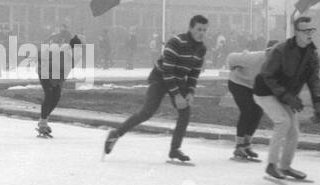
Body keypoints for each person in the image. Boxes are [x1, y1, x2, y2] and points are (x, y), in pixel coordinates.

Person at [103, 15, 208, 163]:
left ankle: (175, 149)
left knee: (185, 112)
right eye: (198, 29)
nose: (201, 33)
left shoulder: (201, 49)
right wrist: (177, 95)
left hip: (178, 80)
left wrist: (190, 92)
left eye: (204, 30)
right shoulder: (176, 42)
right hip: (161, 77)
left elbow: (194, 73)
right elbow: (167, 70)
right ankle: (115, 134)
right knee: (147, 112)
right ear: (191, 28)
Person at [252, 16, 320, 182]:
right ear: (296, 32)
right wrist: (287, 96)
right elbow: (268, 76)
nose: (309, 34)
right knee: (283, 122)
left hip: (285, 94)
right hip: (264, 91)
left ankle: (285, 166)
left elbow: (314, 81)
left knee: (293, 131)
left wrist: (318, 104)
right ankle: (272, 164)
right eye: (305, 30)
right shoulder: (281, 50)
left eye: (311, 30)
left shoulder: (311, 54)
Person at [225, 40, 278, 161]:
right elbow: (231, 57)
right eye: (272, 52)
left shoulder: (278, 64)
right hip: (238, 82)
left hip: (253, 86)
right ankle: (239, 146)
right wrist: (232, 66)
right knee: (247, 110)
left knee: (258, 111)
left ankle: (247, 144)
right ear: (267, 52)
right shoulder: (254, 57)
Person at [35, 26, 82, 138]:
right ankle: (43, 123)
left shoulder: (73, 54)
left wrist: (60, 79)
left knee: (56, 98)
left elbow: (67, 67)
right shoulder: (56, 48)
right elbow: (41, 55)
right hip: (45, 72)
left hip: (58, 75)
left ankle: (43, 119)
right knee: (49, 95)